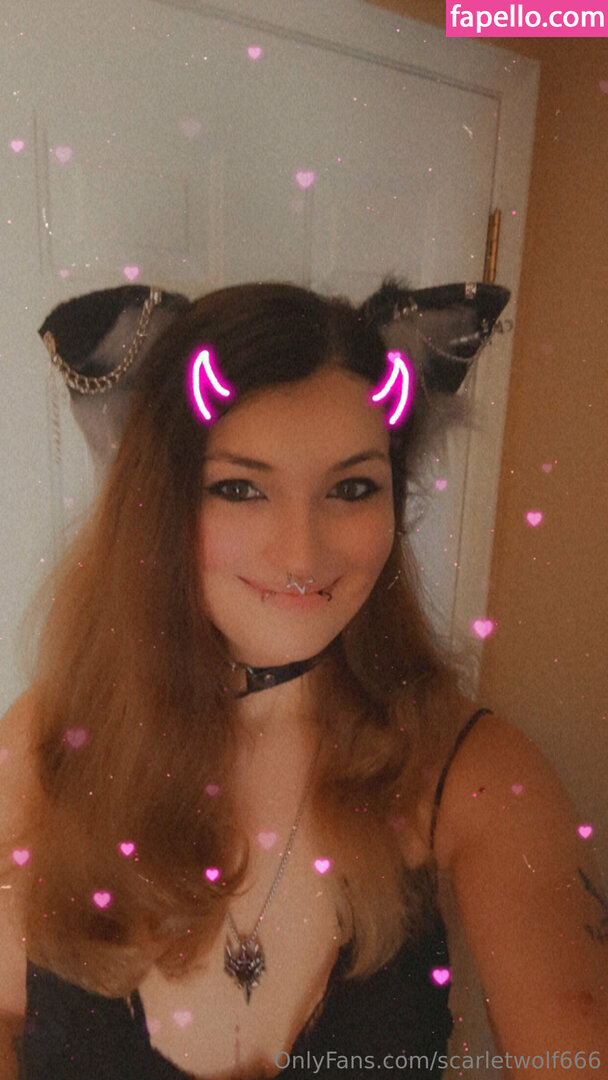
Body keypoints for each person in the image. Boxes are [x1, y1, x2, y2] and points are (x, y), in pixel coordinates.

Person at [0, 282, 606, 1080]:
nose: (301, 554)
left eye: (352, 488)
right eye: (240, 488)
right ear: (159, 507)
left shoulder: (477, 776)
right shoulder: (48, 745)